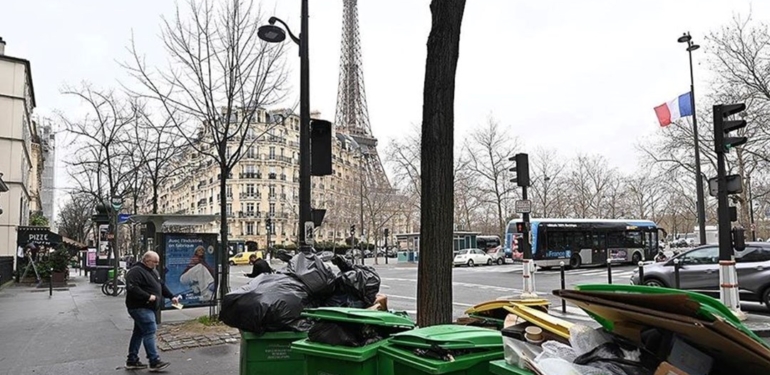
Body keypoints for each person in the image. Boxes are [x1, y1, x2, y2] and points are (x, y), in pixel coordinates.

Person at [124, 251, 179, 371]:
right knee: (150, 330)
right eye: (154, 262)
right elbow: (132, 288)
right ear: (146, 260)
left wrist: (171, 296)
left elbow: (161, 285)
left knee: (138, 333)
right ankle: (154, 361)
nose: (156, 264)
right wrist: (147, 296)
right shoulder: (136, 271)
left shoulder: (153, 271)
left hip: (148, 307)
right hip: (139, 307)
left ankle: (132, 360)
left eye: (157, 262)